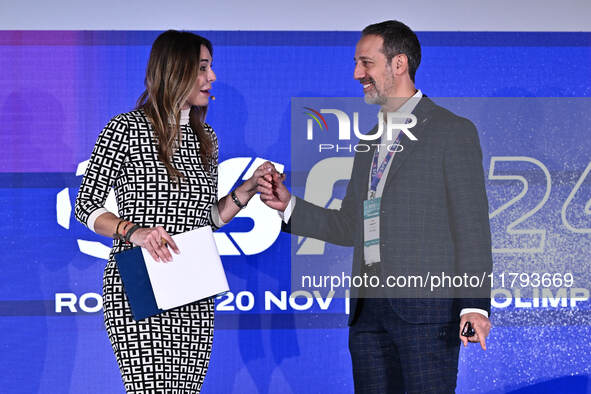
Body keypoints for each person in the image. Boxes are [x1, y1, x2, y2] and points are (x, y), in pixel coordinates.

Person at [258, 20, 492, 393]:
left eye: (365, 63)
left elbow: (472, 228)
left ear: (398, 64)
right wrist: (290, 206)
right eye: (356, 63)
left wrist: (475, 305)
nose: (356, 74)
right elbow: (351, 224)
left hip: (427, 315)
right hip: (368, 315)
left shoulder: (452, 131)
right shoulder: (369, 140)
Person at [74, 30, 274, 393]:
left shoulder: (206, 137)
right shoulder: (126, 128)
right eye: (201, 68)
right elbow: (86, 205)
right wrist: (134, 232)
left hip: (194, 280)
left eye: (210, 67)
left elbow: (207, 219)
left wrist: (245, 191)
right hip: (138, 276)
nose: (211, 77)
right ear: (174, 70)